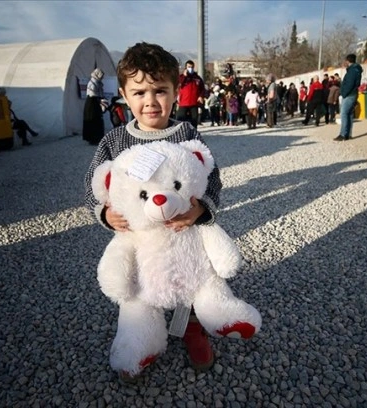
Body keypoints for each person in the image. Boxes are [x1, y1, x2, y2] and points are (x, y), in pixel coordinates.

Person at [83, 42, 223, 381]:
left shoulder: (186, 133)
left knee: (187, 282)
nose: (150, 101)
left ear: (175, 92)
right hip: (138, 239)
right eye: (140, 91)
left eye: (160, 90)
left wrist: (201, 209)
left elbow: (211, 176)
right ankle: (139, 337)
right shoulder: (115, 141)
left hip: (181, 233)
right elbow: (93, 182)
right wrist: (104, 213)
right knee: (136, 288)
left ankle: (191, 328)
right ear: (123, 95)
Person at [335, 54, 363, 141]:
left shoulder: (352, 71)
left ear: (348, 61)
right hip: (353, 94)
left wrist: (343, 93)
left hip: (349, 95)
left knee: (344, 113)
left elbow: (350, 84)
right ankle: (348, 134)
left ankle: (343, 134)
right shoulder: (356, 70)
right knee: (349, 114)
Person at [176, 60, 204, 128]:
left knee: (194, 120)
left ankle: (193, 133)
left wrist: (201, 96)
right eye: (189, 67)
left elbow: (202, 88)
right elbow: (179, 84)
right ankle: (181, 133)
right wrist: (185, 76)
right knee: (180, 120)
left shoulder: (197, 78)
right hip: (183, 102)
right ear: (185, 67)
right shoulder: (181, 77)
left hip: (194, 102)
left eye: (191, 67)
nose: (190, 68)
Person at [83, 68, 107, 145]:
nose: (102, 77)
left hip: (95, 103)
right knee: (92, 120)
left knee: (97, 120)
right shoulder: (92, 83)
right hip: (91, 103)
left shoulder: (98, 83)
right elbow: (92, 94)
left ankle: (98, 138)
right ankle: (93, 138)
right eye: (101, 76)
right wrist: (99, 100)